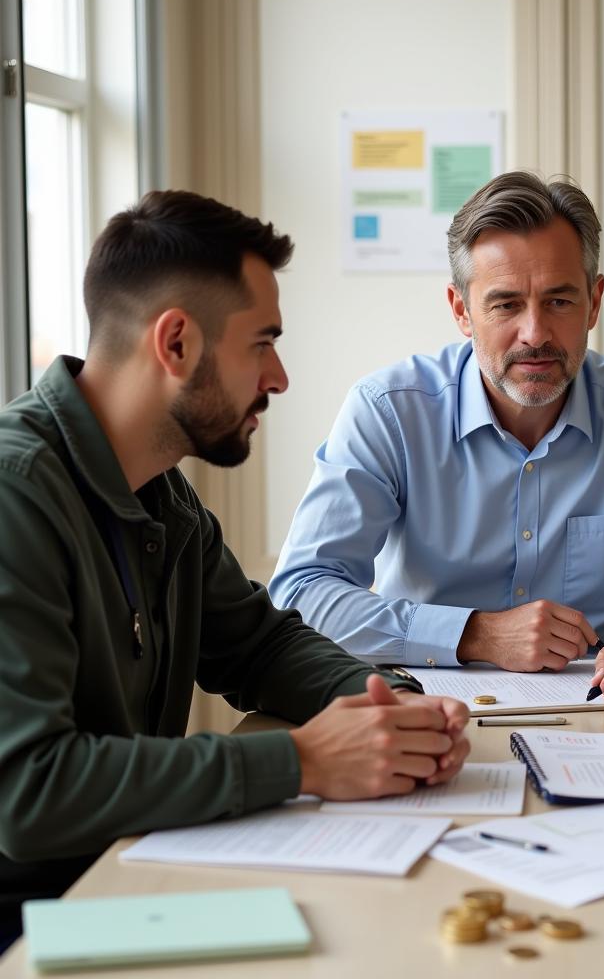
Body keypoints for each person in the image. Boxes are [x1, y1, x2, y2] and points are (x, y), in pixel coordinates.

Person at [0, 191, 470, 951]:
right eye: (262, 343)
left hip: (130, 874)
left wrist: (389, 705)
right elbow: (28, 791)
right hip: (36, 923)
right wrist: (302, 761)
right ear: (177, 343)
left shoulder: (158, 491)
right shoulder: (16, 495)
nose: (279, 377)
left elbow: (258, 645)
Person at [270, 171, 604, 708]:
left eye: (559, 302)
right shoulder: (388, 412)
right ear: (462, 310)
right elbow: (302, 594)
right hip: (421, 714)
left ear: (594, 301)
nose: (534, 333)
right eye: (506, 304)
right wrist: (475, 634)